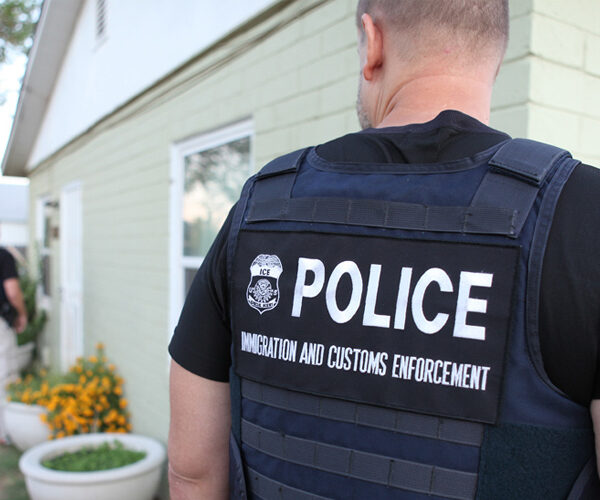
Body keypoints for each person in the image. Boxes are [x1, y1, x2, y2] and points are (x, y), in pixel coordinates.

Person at [168, 1, 600, 498]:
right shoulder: (582, 215)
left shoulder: (258, 209)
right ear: (494, 57)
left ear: (372, 43)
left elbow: (192, 471)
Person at [0, 246, 28, 442]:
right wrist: (21, 314)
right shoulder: (3, 255)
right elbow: (12, 291)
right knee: (5, 376)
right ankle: (4, 432)